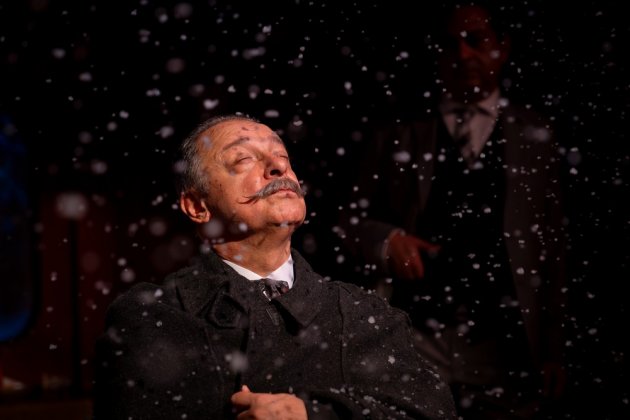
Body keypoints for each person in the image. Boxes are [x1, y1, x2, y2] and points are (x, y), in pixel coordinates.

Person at [92, 114, 456, 419]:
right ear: (197, 207)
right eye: (242, 160)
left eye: (282, 157)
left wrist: (314, 415)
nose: (279, 167)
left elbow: (432, 413)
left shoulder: (366, 314)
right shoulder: (153, 317)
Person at [339, 3, 567, 419]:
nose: (463, 54)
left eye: (475, 40)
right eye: (451, 44)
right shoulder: (398, 128)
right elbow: (347, 220)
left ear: (503, 47)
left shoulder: (535, 135)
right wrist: (385, 241)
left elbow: (553, 248)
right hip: (414, 337)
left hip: (506, 344)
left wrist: (555, 347)